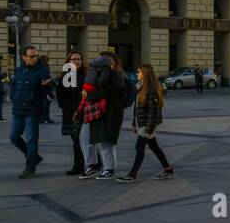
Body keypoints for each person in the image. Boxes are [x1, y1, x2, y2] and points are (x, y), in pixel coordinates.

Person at [120, 64, 174, 181]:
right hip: (141, 122)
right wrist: (135, 124)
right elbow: (136, 108)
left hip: (147, 124)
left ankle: (132, 174)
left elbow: (153, 112)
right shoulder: (140, 87)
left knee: (139, 147)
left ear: (145, 74)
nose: (136, 74)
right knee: (154, 146)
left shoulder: (151, 89)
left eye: (139, 72)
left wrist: (149, 130)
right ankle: (168, 169)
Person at [8, 45, 52, 178]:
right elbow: (13, 86)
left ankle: (30, 168)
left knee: (31, 139)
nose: (34, 58)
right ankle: (34, 157)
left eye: (36, 56)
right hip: (18, 109)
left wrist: (47, 83)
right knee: (14, 137)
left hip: (33, 109)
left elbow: (47, 82)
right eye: (31, 56)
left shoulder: (42, 70)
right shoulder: (19, 70)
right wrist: (14, 97)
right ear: (24, 57)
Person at [82, 51, 126, 180]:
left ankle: (109, 169)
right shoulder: (105, 75)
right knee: (100, 141)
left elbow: (108, 92)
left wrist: (89, 94)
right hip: (103, 111)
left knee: (107, 142)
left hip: (111, 112)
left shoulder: (115, 76)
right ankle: (102, 167)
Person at [56, 51, 87, 175]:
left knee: (79, 140)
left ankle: (78, 167)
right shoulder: (65, 76)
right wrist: (63, 105)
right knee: (78, 139)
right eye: (73, 60)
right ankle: (97, 162)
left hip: (82, 110)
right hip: (69, 111)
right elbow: (60, 93)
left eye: (79, 59)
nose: (76, 61)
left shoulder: (86, 75)